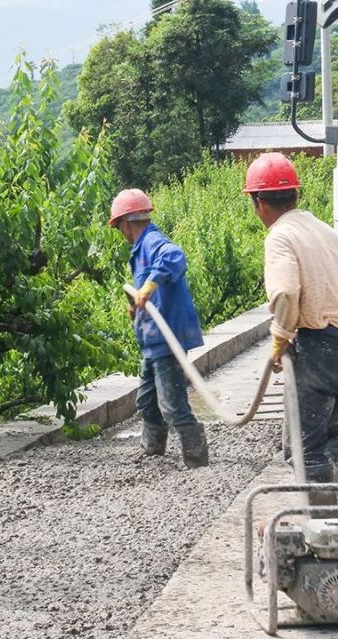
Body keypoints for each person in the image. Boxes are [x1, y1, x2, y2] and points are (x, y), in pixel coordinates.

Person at [243, 153, 338, 512]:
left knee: (304, 445)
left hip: (320, 349)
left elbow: (285, 291)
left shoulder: (280, 236)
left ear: (259, 203)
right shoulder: (323, 230)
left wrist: (280, 337)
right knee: (330, 435)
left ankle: (327, 529)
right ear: (295, 194)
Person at [110, 188, 209, 469]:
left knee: (172, 403)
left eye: (119, 227)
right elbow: (145, 290)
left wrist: (150, 286)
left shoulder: (153, 242)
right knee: (146, 401)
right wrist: (137, 305)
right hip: (152, 341)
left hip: (168, 339)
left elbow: (175, 256)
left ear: (127, 222)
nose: (121, 233)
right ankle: (152, 449)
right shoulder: (139, 251)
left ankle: (196, 454)